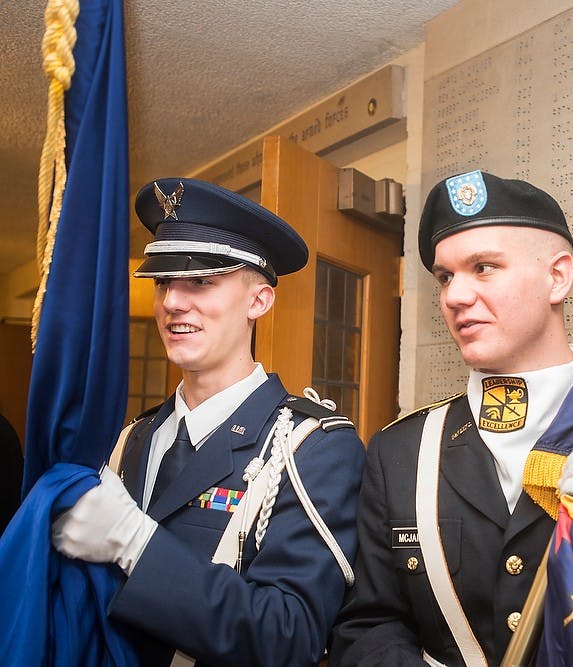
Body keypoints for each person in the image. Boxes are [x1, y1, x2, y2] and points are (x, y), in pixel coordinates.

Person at [331, 170, 573, 666]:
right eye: (445, 276)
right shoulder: (400, 451)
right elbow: (369, 624)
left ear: (557, 276)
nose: (454, 296)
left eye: (483, 267)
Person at [51, 178, 367, 666]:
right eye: (163, 281)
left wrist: (137, 542)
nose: (173, 302)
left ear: (258, 301)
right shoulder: (134, 438)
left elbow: (288, 637)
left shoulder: (309, 447)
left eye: (200, 281)